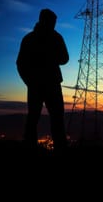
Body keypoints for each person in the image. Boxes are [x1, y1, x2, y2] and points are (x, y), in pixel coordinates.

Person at [16, 8, 69, 152]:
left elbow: (20, 64)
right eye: (53, 22)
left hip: (39, 85)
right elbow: (64, 59)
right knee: (53, 118)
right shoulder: (55, 38)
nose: (54, 25)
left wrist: (29, 81)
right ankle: (59, 149)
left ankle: (32, 148)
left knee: (36, 118)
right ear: (47, 21)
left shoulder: (30, 38)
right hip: (47, 84)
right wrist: (29, 81)